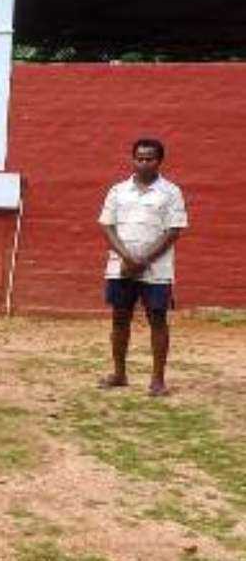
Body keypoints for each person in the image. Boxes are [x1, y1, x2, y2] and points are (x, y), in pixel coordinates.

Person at [98, 138, 187, 397]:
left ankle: (157, 380)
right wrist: (127, 258)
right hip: (120, 267)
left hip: (157, 270)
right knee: (119, 318)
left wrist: (143, 260)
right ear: (133, 159)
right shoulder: (117, 191)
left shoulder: (171, 192)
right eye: (139, 158)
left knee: (157, 320)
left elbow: (174, 231)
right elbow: (107, 225)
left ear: (159, 161)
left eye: (149, 158)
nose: (144, 162)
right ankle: (119, 373)